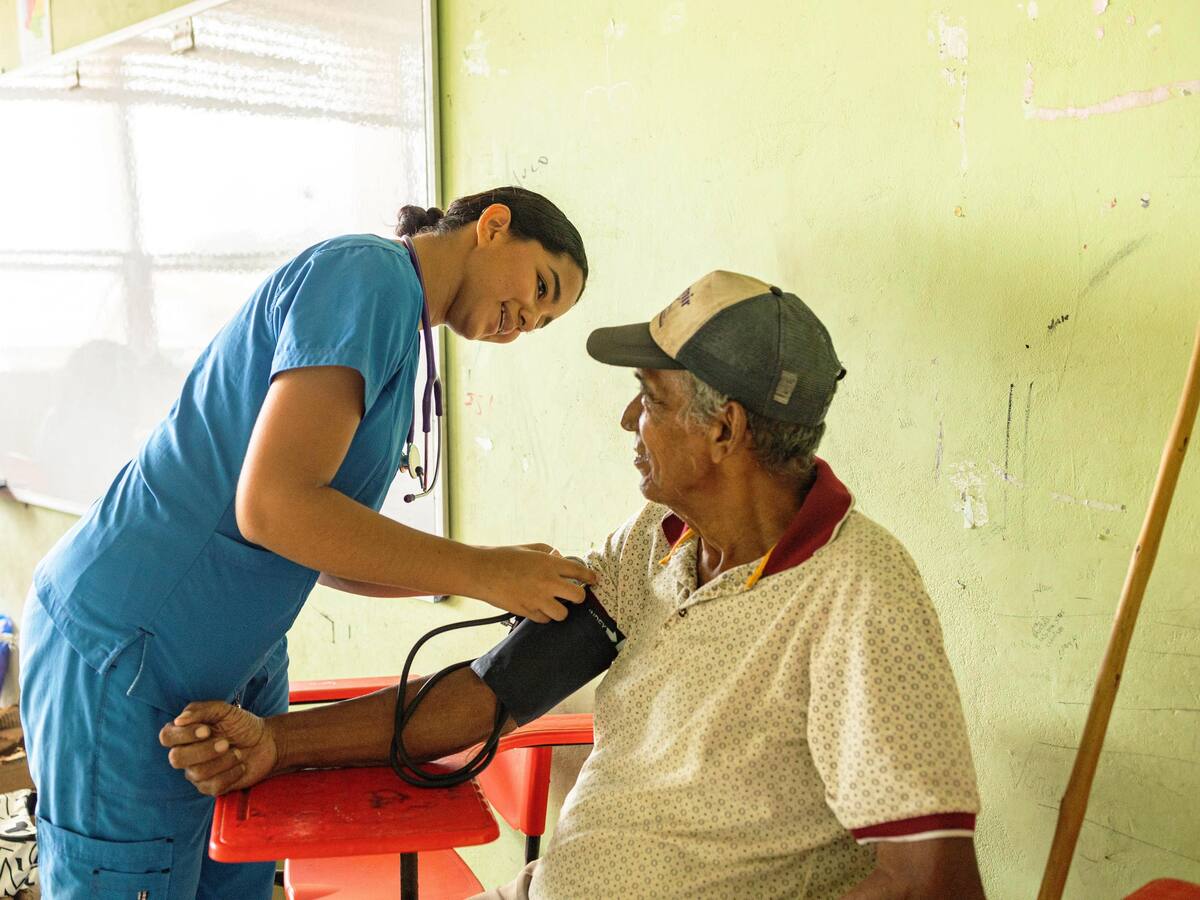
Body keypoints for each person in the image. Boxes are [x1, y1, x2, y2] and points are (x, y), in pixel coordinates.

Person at [161, 271, 986, 899]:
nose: (629, 421)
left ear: (724, 429)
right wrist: (277, 743)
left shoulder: (858, 594)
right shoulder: (657, 542)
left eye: (649, 399)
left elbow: (931, 884)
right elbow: (489, 695)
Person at [20, 186, 597, 900]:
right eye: (541, 287)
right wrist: (484, 571)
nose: (528, 320)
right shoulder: (369, 277)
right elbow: (276, 508)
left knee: (236, 880)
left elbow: (322, 549)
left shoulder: (402, 333)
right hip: (128, 650)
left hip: (229, 666)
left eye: (543, 323)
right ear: (494, 226)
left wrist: (493, 577)